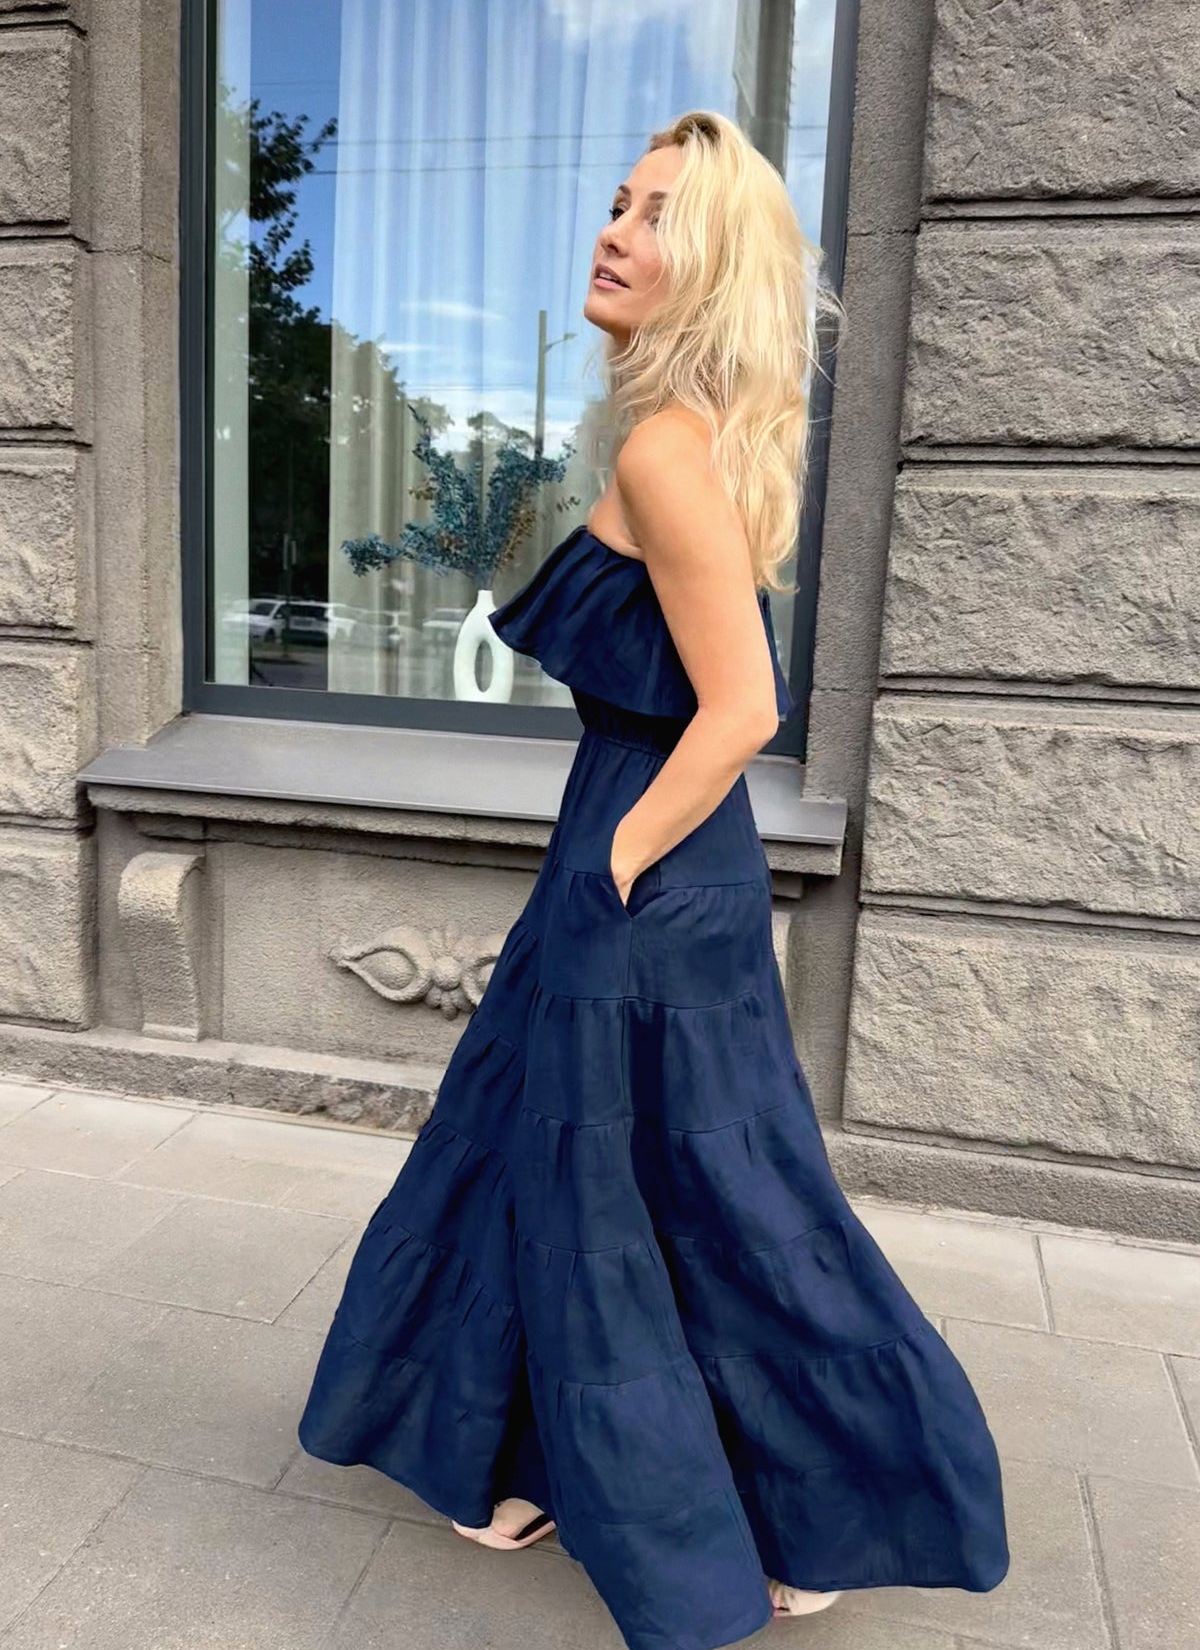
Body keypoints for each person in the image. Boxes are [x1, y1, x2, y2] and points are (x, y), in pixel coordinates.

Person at [297, 108, 1009, 1650]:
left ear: (719, 266)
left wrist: (611, 864)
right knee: (531, 1158)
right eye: (616, 203)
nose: (615, 230)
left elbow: (746, 710)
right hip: (640, 853)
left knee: (697, 1195)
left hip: (646, 863)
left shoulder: (668, 450)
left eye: (659, 215)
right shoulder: (678, 436)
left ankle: (829, 1503)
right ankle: (496, 1459)